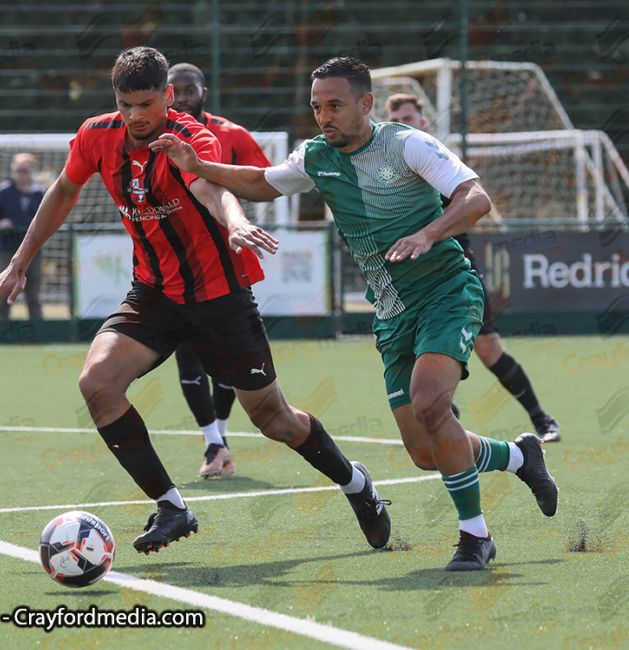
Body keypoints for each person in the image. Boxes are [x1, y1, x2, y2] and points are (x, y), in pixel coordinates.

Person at [152, 57, 558, 571]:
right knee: (425, 451)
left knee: (432, 405)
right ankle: (521, 456)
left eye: (336, 105)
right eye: (317, 107)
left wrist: (429, 233)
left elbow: (475, 197)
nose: (325, 116)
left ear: (365, 104)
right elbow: (260, 181)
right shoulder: (316, 156)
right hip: (391, 311)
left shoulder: (406, 143)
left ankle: (475, 538)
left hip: (446, 291)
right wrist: (199, 167)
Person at [0, 48, 391, 555]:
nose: (136, 115)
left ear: (168, 96)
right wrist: (20, 260)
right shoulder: (96, 135)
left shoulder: (190, 138)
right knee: (97, 381)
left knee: (275, 420)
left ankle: (357, 485)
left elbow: (211, 188)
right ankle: (172, 507)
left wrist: (237, 222)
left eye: (147, 103)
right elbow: (65, 189)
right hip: (153, 294)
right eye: (126, 103)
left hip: (219, 298)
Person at [385, 93, 561, 443]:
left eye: (410, 117)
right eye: (397, 120)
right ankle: (444, 411)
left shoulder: (436, 159)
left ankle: (542, 420)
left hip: (453, 270)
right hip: (406, 276)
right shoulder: (383, 169)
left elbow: (472, 205)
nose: (405, 124)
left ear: (423, 123)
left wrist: (430, 234)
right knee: (411, 348)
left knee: (488, 349)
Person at [168, 62, 273, 478]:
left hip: (226, 261)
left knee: (229, 358)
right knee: (187, 353)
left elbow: (263, 180)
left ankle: (221, 436)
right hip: (175, 262)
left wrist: (237, 215)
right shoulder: (152, 135)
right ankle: (213, 441)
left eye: (191, 88)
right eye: (176, 89)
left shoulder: (232, 135)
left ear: (204, 91)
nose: (185, 95)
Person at [0, 153, 45, 320]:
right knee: (3, 288)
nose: (22, 174)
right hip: (7, 248)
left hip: (33, 250)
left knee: (33, 290)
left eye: (25, 170)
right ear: (13, 171)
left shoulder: (38, 193)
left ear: (31, 171)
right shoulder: (3, 192)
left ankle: (37, 327)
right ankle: (1, 325)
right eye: (19, 170)